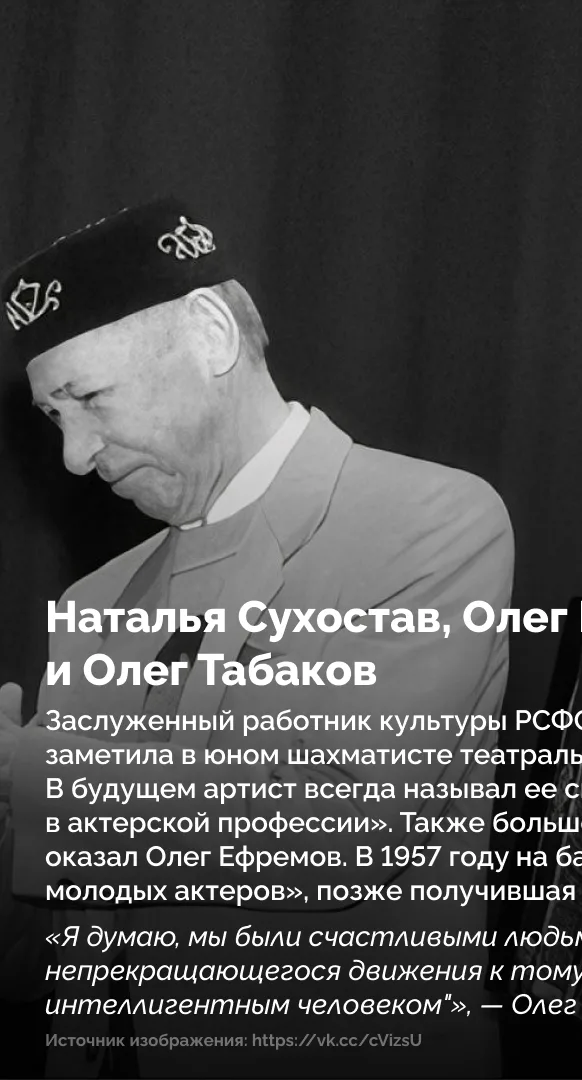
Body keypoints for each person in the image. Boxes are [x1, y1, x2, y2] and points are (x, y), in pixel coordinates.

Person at [0, 197, 515, 1078]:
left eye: (88, 398)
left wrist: (37, 777)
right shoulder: (96, 600)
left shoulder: (428, 521)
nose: (75, 456)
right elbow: (61, 951)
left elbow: (341, 831)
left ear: (211, 336)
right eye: (54, 417)